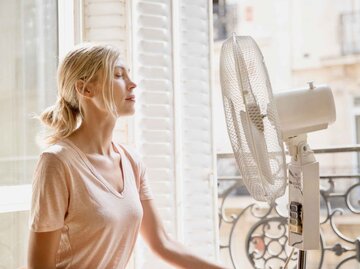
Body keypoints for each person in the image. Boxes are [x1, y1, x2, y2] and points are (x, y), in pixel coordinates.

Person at [27, 44, 227, 269]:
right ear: (85, 89)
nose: (132, 83)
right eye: (118, 75)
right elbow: (39, 266)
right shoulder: (57, 163)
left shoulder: (131, 161)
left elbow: (163, 244)